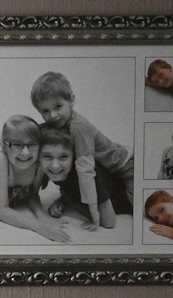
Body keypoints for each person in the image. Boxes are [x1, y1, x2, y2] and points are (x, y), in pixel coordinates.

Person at [30, 71, 135, 233]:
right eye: (45, 111)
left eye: (58, 106)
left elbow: (85, 170)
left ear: (71, 100)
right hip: (113, 165)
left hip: (128, 167)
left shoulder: (78, 127)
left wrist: (94, 214)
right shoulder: (58, 126)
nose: (53, 115)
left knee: (143, 207)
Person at [0, 115, 71, 243]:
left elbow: (32, 195)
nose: (25, 153)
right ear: (4, 146)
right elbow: (2, 210)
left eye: (32, 144)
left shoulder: (37, 165)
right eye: (17, 145)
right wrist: (39, 226)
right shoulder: (0, 161)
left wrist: (43, 217)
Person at [36, 124, 121, 231]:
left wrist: (68, 200)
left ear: (74, 155)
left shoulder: (88, 174)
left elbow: (109, 222)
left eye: (63, 157)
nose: (55, 166)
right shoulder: (57, 170)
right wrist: (62, 200)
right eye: (47, 156)